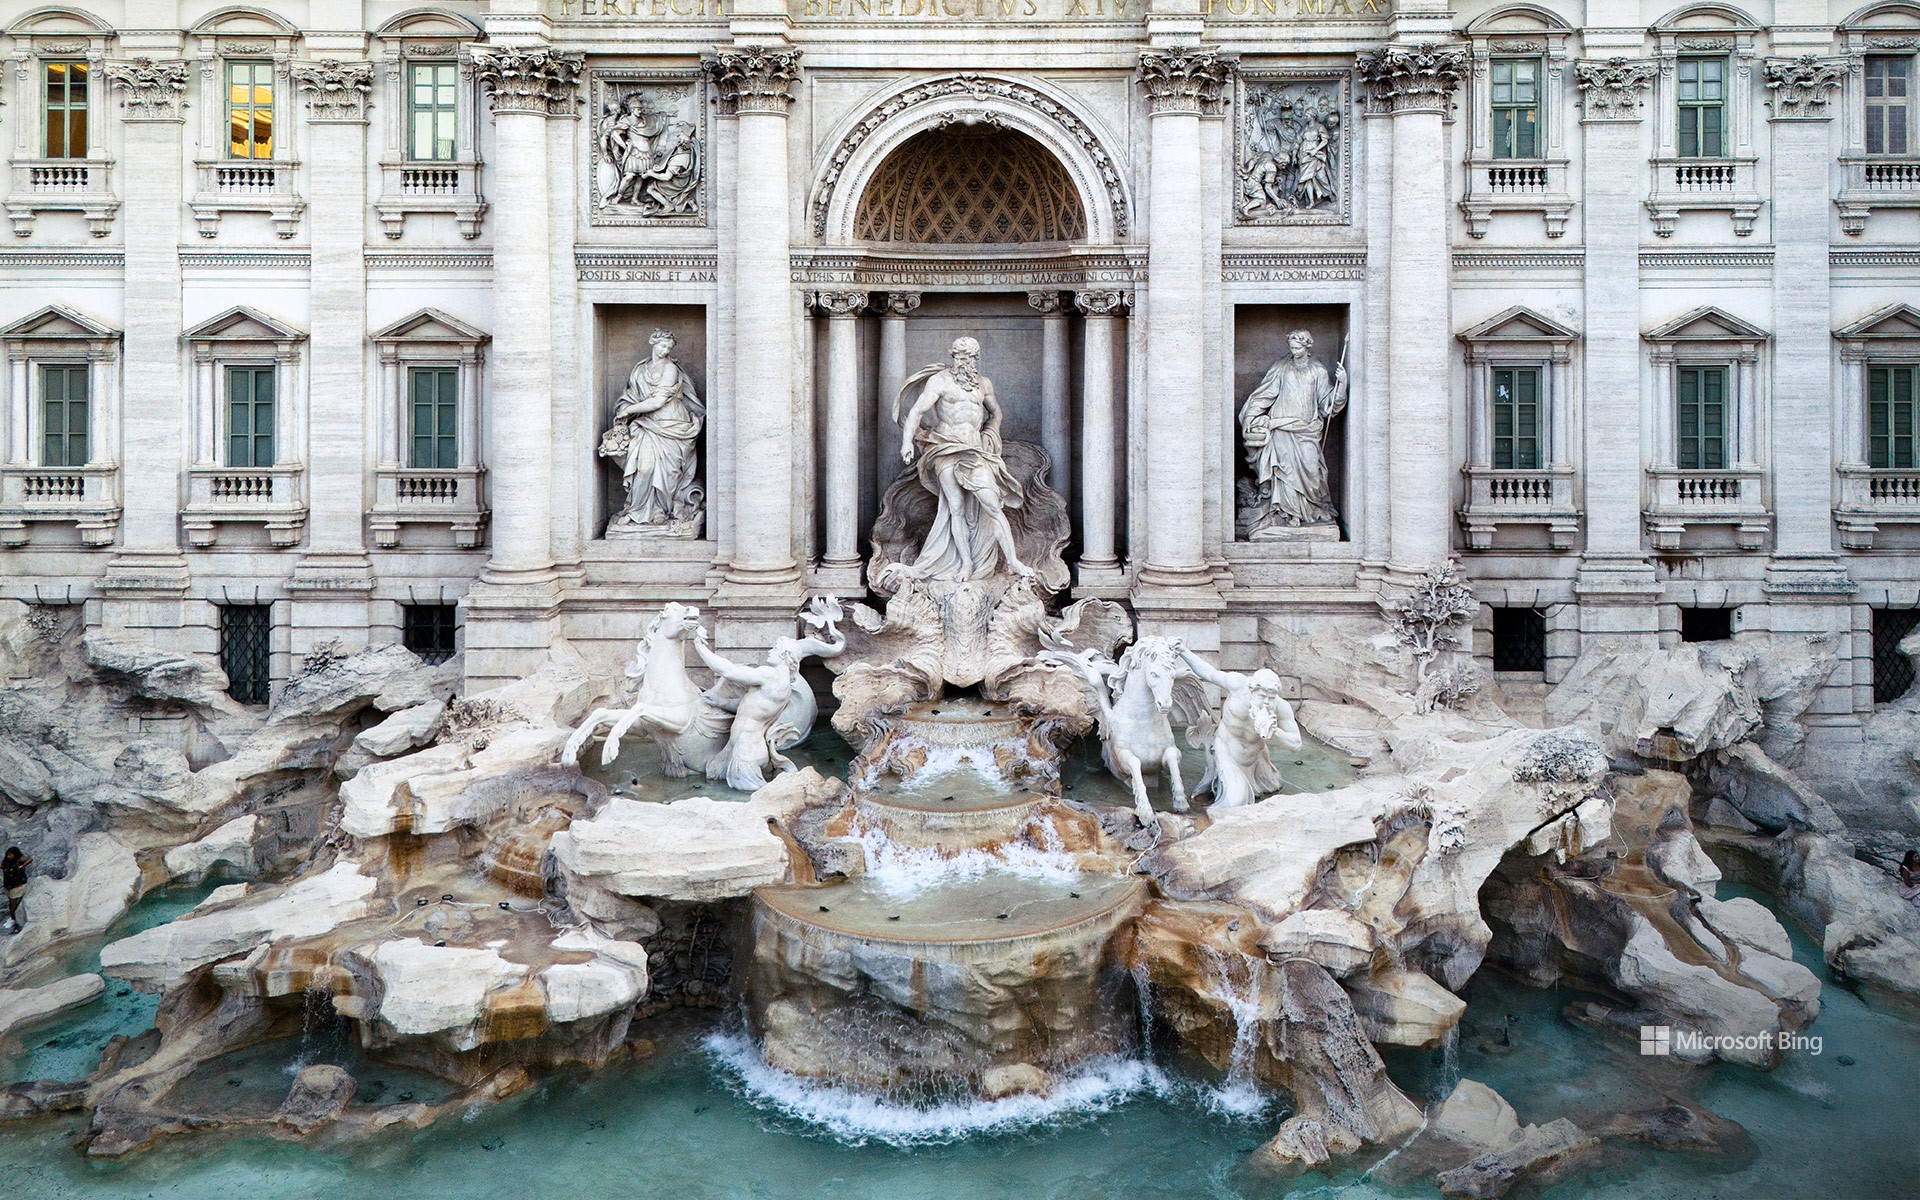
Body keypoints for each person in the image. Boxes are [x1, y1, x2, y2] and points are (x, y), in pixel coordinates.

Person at [892, 336, 1035, 581]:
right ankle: (966, 563)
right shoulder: (940, 381)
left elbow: (996, 413)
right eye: (960, 356)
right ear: (953, 356)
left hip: (974, 450)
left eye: (969, 357)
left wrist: (991, 432)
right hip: (946, 448)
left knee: (993, 504)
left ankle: (1013, 562)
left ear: (976, 358)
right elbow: (917, 411)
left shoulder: (983, 384)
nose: (964, 361)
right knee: (955, 508)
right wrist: (907, 442)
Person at [1239, 329, 1349, 532]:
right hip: (1281, 428)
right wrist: (1250, 416)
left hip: (1307, 430)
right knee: (1284, 473)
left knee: (1311, 470)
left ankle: (1310, 510)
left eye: (1298, 348)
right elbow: (1264, 394)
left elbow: (1328, 404)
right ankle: (1289, 514)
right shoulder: (1281, 367)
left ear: (1307, 347)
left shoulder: (1318, 370)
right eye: (1291, 347)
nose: (1294, 351)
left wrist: (1341, 384)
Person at [602, 328, 706, 534]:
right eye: (663, 346)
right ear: (653, 342)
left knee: (668, 472)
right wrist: (625, 409)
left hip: (672, 424)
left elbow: (658, 401)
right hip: (647, 424)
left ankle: (661, 511)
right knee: (645, 468)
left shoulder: (670, 369)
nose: (665, 350)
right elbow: (631, 395)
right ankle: (636, 511)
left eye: (669, 347)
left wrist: (629, 410)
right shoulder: (640, 369)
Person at [3, 846, 30, 933]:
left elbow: (29, 859)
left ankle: (13, 918)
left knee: (13, 902)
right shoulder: (6, 861)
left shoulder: (18, 860)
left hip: (17, 885)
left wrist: (22, 866)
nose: (9, 856)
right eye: (8, 854)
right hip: (8, 885)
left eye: (10, 855)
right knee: (11, 902)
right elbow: (2, 866)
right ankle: (12, 916)